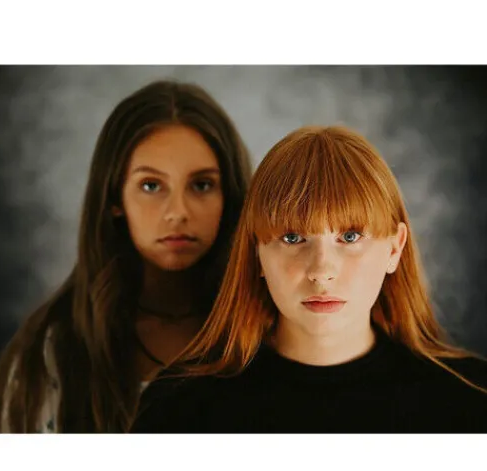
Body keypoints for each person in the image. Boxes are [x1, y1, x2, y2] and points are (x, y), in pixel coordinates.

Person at [133, 125, 487, 433]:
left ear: (395, 249)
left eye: (350, 237)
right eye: (293, 238)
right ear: (257, 253)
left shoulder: (471, 399)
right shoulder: (177, 410)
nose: (321, 271)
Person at [0, 80, 252, 433]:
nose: (178, 212)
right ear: (115, 198)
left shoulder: (268, 331)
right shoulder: (54, 349)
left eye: (202, 185)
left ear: (229, 196)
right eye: (151, 185)